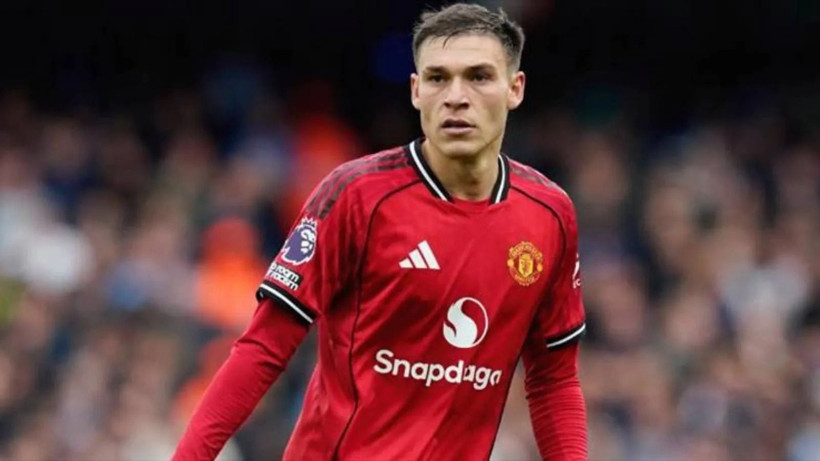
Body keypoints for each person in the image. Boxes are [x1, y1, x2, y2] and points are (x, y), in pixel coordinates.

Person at [173, 3, 587, 460]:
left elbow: (553, 379)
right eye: (437, 78)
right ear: (416, 91)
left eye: (479, 77)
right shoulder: (357, 195)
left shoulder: (549, 215)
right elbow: (263, 347)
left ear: (515, 88)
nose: (456, 96)